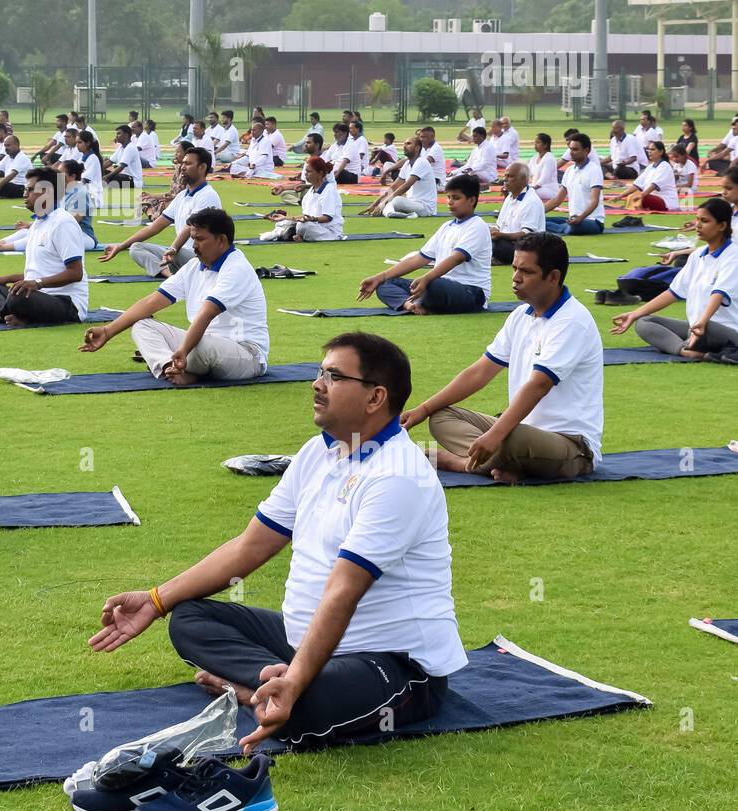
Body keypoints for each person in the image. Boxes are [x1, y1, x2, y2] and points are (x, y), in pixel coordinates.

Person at [89, 331, 466, 750]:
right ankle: (277, 684)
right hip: (301, 641)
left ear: (376, 398)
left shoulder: (398, 476)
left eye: (334, 376)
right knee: (190, 617)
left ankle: (264, 691)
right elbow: (250, 546)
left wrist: (299, 677)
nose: (316, 384)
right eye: (319, 372)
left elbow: (344, 591)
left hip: (394, 663)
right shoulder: (317, 453)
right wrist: (156, 600)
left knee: (308, 706)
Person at [403, 232, 603, 483]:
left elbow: (538, 385)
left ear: (553, 277)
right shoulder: (520, 316)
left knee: (509, 436)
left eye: (526, 272)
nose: (516, 278)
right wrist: (423, 409)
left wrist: (496, 434)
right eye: (514, 268)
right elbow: (480, 372)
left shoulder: (572, 321)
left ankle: (460, 462)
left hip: (570, 445)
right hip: (521, 432)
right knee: (442, 417)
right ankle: (500, 463)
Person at [81, 207, 268, 385]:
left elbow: (207, 313)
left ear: (221, 240)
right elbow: (151, 302)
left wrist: (184, 350)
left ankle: (182, 365)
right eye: (193, 239)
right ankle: (169, 367)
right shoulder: (194, 266)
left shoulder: (236, 268)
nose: (194, 246)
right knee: (142, 325)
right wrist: (108, 331)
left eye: (200, 239)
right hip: (203, 342)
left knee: (201, 347)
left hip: (247, 354)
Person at [611, 198, 737, 358]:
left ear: (722, 226)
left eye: (704, 221)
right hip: (697, 327)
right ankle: (686, 350)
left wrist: (703, 321)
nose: (697, 225)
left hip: (724, 329)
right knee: (644, 322)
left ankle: (698, 344)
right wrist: (635, 314)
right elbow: (673, 293)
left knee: (708, 329)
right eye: (697, 219)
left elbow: (718, 294)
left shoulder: (733, 256)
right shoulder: (697, 255)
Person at [359, 173, 491, 314]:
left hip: (470, 292)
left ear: (471, 201)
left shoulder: (477, 226)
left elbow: (456, 258)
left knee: (433, 284)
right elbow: (420, 258)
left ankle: (423, 301)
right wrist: (380, 277)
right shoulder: (447, 226)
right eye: (449, 197)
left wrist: (427, 278)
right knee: (385, 284)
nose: (450, 202)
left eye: (456, 198)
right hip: (441, 285)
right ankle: (410, 305)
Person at [0, 169, 89, 326]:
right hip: (36, 294)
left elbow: (75, 273)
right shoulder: (37, 225)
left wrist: (37, 283)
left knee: (17, 297)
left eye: (30, 189)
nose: (25, 194)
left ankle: (8, 314)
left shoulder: (63, 223)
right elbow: (37, 273)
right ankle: (14, 315)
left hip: (65, 303)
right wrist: (0, 279)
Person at [102, 146, 220, 278]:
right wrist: (120, 246)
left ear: (202, 167)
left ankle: (174, 275)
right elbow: (154, 227)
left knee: (177, 252)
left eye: (188, 164)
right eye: (183, 163)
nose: (182, 167)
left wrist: (173, 249)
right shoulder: (182, 196)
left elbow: (190, 227)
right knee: (136, 248)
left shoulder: (207, 195)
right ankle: (170, 275)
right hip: (181, 255)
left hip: (201, 257)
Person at [361, 136, 437, 219]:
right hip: (412, 203)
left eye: (408, 144)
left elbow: (405, 187)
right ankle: (397, 214)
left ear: (417, 148)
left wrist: (383, 204)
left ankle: (393, 213)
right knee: (390, 201)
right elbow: (394, 187)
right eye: (404, 144)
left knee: (396, 201)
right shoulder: (407, 163)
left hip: (425, 207)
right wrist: (375, 204)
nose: (404, 146)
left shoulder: (421, 162)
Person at [545, 132, 605, 236]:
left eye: (575, 149)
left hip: (593, 221)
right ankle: (561, 226)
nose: (572, 152)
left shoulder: (594, 170)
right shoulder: (569, 171)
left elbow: (594, 201)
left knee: (574, 227)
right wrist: (537, 213)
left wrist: (580, 218)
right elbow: (557, 200)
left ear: (586, 151)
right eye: (571, 149)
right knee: (538, 220)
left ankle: (560, 227)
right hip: (573, 219)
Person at [490, 162, 545, 263]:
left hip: (525, 249)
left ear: (524, 179)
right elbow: (499, 226)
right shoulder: (510, 198)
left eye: (510, 176)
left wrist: (501, 235)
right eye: (505, 176)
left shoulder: (531, 202)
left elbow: (527, 235)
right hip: (507, 243)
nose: (505, 179)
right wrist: (491, 231)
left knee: (496, 245)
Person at [277, 157, 343, 241]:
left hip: (329, 231)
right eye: (305, 171)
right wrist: (284, 218)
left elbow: (327, 217)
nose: (305, 174)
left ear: (320, 173)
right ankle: (300, 236)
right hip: (314, 226)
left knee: (303, 226)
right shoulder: (310, 192)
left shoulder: (329, 190)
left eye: (309, 171)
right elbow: (305, 217)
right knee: (283, 223)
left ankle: (300, 236)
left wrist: (312, 219)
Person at [605, 139, 678, 215]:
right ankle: (640, 208)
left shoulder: (664, 166)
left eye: (653, 149)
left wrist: (641, 195)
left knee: (642, 197)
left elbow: (654, 185)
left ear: (661, 152)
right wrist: (620, 196)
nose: (649, 152)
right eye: (648, 149)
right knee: (632, 196)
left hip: (666, 201)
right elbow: (636, 185)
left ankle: (640, 208)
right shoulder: (650, 167)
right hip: (652, 197)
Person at [103, 124, 144, 189]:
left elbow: (121, 167)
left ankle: (106, 184)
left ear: (126, 135)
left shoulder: (130, 148)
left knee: (113, 178)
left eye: (119, 134)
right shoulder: (121, 148)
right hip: (123, 177)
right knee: (102, 172)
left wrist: (107, 176)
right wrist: (97, 170)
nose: (116, 136)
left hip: (133, 181)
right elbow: (109, 162)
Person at [74, 130, 105, 207]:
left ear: (88, 143)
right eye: (76, 142)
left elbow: (85, 179)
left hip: (92, 197)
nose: (77, 145)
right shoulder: (82, 158)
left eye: (80, 142)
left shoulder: (93, 158)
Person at [530, 131, 560, 206]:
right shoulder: (534, 158)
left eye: (538, 142)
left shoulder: (549, 158)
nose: (535, 144)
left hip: (549, 190)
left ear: (545, 145)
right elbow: (528, 173)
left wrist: (532, 188)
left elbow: (544, 179)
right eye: (535, 142)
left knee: (527, 192)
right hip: (536, 188)